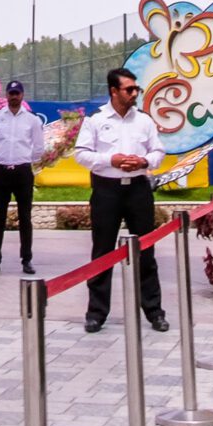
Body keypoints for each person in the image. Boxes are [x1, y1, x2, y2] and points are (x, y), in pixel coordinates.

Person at [74, 67, 166, 334]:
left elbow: (159, 150)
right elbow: (81, 154)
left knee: (145, 251)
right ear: (114, 91)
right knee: (102, 252)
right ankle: (96, 314)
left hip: (138, 189)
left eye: (136, 89)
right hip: (106, 190)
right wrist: (109, 160)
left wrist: (144, 161)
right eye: (129, 89)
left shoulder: (144, 121)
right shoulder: (96, 119)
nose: (134, 93)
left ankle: (154, 312)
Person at [0, 79, 44, 273]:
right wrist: (2, 157)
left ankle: (27, 259)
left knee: (25, 217)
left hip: (23, 172)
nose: (14, 96)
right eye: (11, 93)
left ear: (22, 95)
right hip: (1, 172)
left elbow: (39, 147)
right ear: (6, 95)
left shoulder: (32, 120)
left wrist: (24, 159)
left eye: (17, 93)